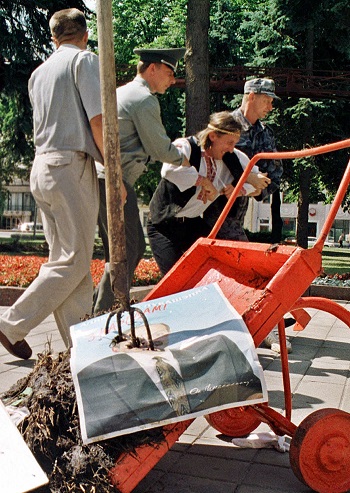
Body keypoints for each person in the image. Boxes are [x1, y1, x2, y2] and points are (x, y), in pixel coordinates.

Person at [0, 8, 106, 359]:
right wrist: (114, 170)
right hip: (70, 165)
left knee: (67, 261)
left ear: (54, 37)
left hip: (42, 166)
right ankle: (11, 323)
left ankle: (82, 349)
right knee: (74, 261)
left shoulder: (39, 73)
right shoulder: (85, 61)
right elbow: (97, 121)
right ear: (85, 34)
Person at [93, 47, 190, 314]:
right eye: (170, 73)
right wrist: (190, 156)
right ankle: (100, 317)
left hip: (111, 180)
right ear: (152, 69)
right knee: (126, 252)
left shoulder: (124, 92)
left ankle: (99, 313)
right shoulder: (144, 99)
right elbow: (161, 150)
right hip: (115, 181)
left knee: (125, 252)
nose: (172, 80)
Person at [203, 78, 292, 353]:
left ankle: (247, 326)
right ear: (251, 96)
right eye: (268, 99)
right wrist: (245, 182)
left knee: (232, 267)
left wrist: (251, 188)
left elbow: (274, 175)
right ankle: (263, 326)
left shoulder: (266, 134)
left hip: (236, 209)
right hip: (210, 208)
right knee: (247, 267)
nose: (271, 106)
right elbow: (208, 159)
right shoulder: (225, 124)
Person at [147, 111, 270, 275]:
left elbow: (259, 186)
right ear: (213, 136)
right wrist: (203, 181)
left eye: (235, 143)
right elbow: (168, 170)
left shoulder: (233, 157)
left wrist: (239, 189)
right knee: (175, 277)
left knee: (218, 264)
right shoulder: (187, 146)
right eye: (229, 142)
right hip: (163, 225)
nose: (232, 148)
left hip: (191, 223)